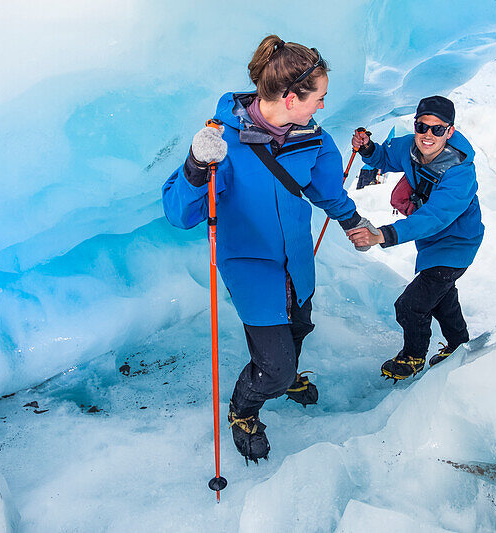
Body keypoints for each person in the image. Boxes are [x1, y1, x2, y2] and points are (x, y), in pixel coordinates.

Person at [161, 34, 375, 463]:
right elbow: (180, 214)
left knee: (299, 328)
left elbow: (324, 189)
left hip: (295, 258)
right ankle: (245, 409)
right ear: (292, 97)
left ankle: (286, 373)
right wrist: (196, 165)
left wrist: (354, 221)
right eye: (319, 97)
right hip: (249, 263)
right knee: (274, 368)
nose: (322, 106)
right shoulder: (223, 141)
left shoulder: (312, 137)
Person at [346, 95, 484, 380]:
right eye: (423, 126)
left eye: (438, 129)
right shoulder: (410, 146)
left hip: (456, 244)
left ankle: (413, 357)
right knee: (442, 299)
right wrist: (368, 147)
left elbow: (435, 216)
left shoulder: (460, 172)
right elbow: (383, 157)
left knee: (410, 305)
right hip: (432, 243)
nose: (428, 135)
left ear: (451, 131)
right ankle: (460, 345)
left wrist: (383, 235)